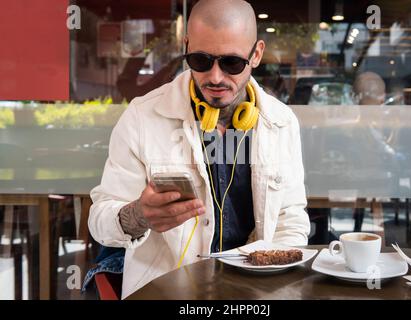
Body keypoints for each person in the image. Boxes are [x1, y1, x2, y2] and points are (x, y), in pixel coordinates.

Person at [88, 0, 310, 299]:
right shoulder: (142, 117)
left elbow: (291, 220)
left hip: (257, 292)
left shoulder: (282, 122)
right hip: (168, 291)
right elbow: (100, 221)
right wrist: (139, 216)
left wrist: (272, 281)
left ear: (256, 54)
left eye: (232, 63)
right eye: (201, 60)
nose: (215, 77)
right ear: (187, 46)